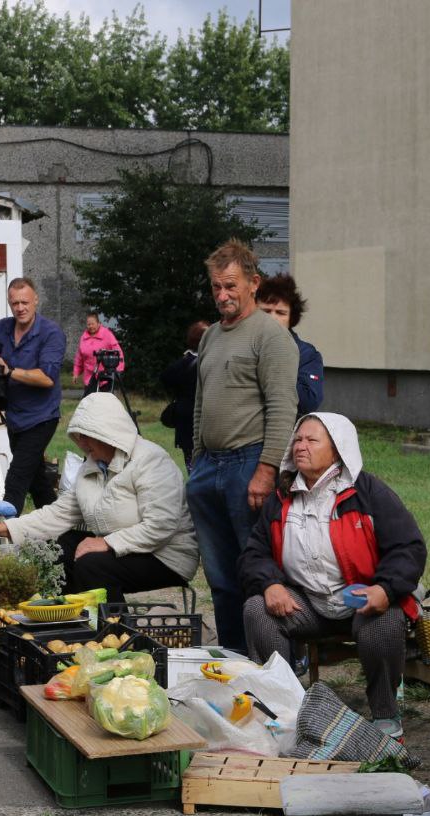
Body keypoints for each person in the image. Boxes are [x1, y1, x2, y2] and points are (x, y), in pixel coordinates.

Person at [240, 413, 426, 738]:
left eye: (312, 441)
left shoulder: (367, 492)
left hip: (362, 600)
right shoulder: (281, 498)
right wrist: (270, 584)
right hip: (307, 604)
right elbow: (253, 553)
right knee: (257, 610)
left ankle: (385, 712)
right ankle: (283, 708)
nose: (301, 446)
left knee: (383, 626)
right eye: (298, 439)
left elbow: (408, 547)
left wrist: (384, 589)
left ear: (338, 450)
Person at [0, 392, 198, 601]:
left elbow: (161, 525)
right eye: (78, 436)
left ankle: (115, 635)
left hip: (165, 555)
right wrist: (2, 529)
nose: (81, 443)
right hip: (124, 548)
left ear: (110, 434)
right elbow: (57, 514)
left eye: (87, 435)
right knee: (58, 547)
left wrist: (106, 542)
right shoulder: (91, 465)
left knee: (92, 566)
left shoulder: (151, 461)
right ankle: (69, 621)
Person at [186, 239, 298, 653]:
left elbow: (284, 406)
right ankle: (232, 658)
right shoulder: (211, 336)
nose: (222, 295)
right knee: (219, 575)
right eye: (216, 287)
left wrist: (267, 469)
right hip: (209, 467)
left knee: (255, 569)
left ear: (254, 283)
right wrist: (197, 461)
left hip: (248, 464)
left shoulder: (271, 336)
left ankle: (270, 660)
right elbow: (200, 402)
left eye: (230, 286)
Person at [0, 278, 65, 513]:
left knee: (16, 479)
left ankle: (2, 540)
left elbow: (47, 378)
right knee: (38, 483)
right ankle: (60, 536)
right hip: (15, 418)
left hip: (41, 418)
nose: (20, 308)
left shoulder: (51, 333)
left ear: (35, 300)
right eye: (15, 303)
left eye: (25, 302)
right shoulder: (2, 328)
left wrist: (9, 371)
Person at [256, 274, 324, 417]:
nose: (272, 318)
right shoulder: (241, 345)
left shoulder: (306, 354)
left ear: (291, 318)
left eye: (281, 313)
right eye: (266, 311)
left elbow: (308, 402)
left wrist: (274, 366)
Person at [158, 320, 209, 468]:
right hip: (203, 420)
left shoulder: (182, 363)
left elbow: (165, 378)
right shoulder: (211, 363)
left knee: (192, 465)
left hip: (185, 420)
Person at [72, 311, 124, 395]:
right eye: (88, 324)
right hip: (89, 377)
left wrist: (118, 370)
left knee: (105, 402)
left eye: (93, 324)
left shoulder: (107, 334)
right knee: (90, 402)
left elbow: (118, 352)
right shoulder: (83, 338)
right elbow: (79, 358)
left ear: (98, 323)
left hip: (106, 376)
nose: (91, 326)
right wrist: (76, 373)